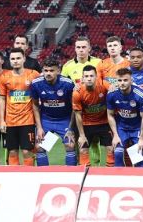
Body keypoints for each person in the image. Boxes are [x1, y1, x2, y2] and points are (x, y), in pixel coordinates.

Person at [62, 36, 102, 164]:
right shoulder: (67, 66)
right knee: (78, 137)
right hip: (77, 106)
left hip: (96, 105)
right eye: (78, 47)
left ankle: (95, 143)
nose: (81, 50)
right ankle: (81, 163)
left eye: (84, 47)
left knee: (96, 133)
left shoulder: (99, 63)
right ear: (74, 49)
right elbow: (64, 85)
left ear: (89, 48)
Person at [31, 58, 77, 166]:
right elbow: (35, 105)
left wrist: (70, 128)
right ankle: (44, 176)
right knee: (40, 147)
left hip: (64, 120)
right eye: (46, 70)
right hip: (46, 120)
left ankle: (72, 176)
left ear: (58, 71)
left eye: (51, 71)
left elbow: (75, 107)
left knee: (70, 145)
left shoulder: (68, 84)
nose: (48, 73)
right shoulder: (36, 84)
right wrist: (40, 128)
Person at [0, 48, 40, 166]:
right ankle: (15, 179)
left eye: (18, 58)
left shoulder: (34, 75)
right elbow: (2, 99)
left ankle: (29, 177)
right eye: (13, 59)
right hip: (10, 121)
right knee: (12, 152)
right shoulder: (5, 77)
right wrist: (2, 120)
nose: (15, 61)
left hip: (27, 120)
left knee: (27, 151)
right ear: (10, 61)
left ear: (24, 59)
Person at [106, 68, 143, 167]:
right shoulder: (112, 94)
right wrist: (115, 135)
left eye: (125, 80)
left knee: (138, 156)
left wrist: (141, 138)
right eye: (120, 80)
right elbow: (110, 115)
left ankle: (142, 180)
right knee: (117, 152)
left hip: (137, 128)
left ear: (131, 81)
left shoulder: (140, 95)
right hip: (122, 128)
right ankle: (121, 179)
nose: (122, 83)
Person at [72, 65, 113, 167]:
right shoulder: (77, 93)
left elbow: (115, 93)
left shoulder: (104, 86)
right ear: (82, 78)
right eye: (86, 76)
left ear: (96, 77)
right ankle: (86, 176)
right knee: (83, 150)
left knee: (111, 149)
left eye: (91, 75)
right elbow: (78, 115)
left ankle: (111, 175)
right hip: (87, 124)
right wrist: (81, 135)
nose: (89, 78)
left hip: (104, 122)